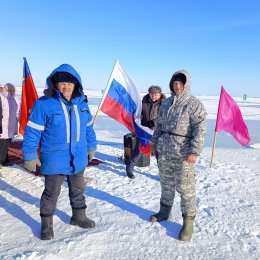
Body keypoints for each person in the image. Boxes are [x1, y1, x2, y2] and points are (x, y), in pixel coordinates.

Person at [22, 64, 97, 240]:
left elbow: (89, 129)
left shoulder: (82, 104)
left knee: (77, 189)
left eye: (70, 84)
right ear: (55, 84)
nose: (66, 87)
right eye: (62, 83)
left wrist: (91, 146)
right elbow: (32, 132)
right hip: (54, 157)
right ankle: (47, 225)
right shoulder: (44, 103)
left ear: (76, 85)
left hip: (78, 157)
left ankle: (78, 217)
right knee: (51, 193)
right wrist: (30, 155)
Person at [149, 70, 207, 241]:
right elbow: (158, 125)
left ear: (186, 85)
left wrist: (194, 151)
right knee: (166, 183)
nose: (177, 86)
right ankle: (164, 212)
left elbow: (200, 129)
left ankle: (188, 223)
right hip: (164, 152)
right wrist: (154, 144)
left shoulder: (194, 104)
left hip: (183, 154)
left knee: (185, 189)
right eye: (175, 83)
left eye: (180, 83)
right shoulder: (166, 103)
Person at [125, 85, 166, 179]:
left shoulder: (165, 104)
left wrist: (155, 123)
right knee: (138, 151)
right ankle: (129, 169)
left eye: (156, 94)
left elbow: (166, 118)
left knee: (159, 154)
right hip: (144, 132)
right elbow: (137, 115)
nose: (153, 96)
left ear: (160, 94)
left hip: (158, 133)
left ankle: (163, 176)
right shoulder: (143, 103)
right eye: (152, 94)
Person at [0, 83, 20, 168]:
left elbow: (18, 113)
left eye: (13, 91)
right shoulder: (1, 98)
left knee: (7, 145)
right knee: (1, 145)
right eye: (10, 90)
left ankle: (4, 160)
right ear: (5, 90)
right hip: (2, 126)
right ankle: (1, 161)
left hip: (11, 127)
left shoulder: (16, 99)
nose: (11, 92)